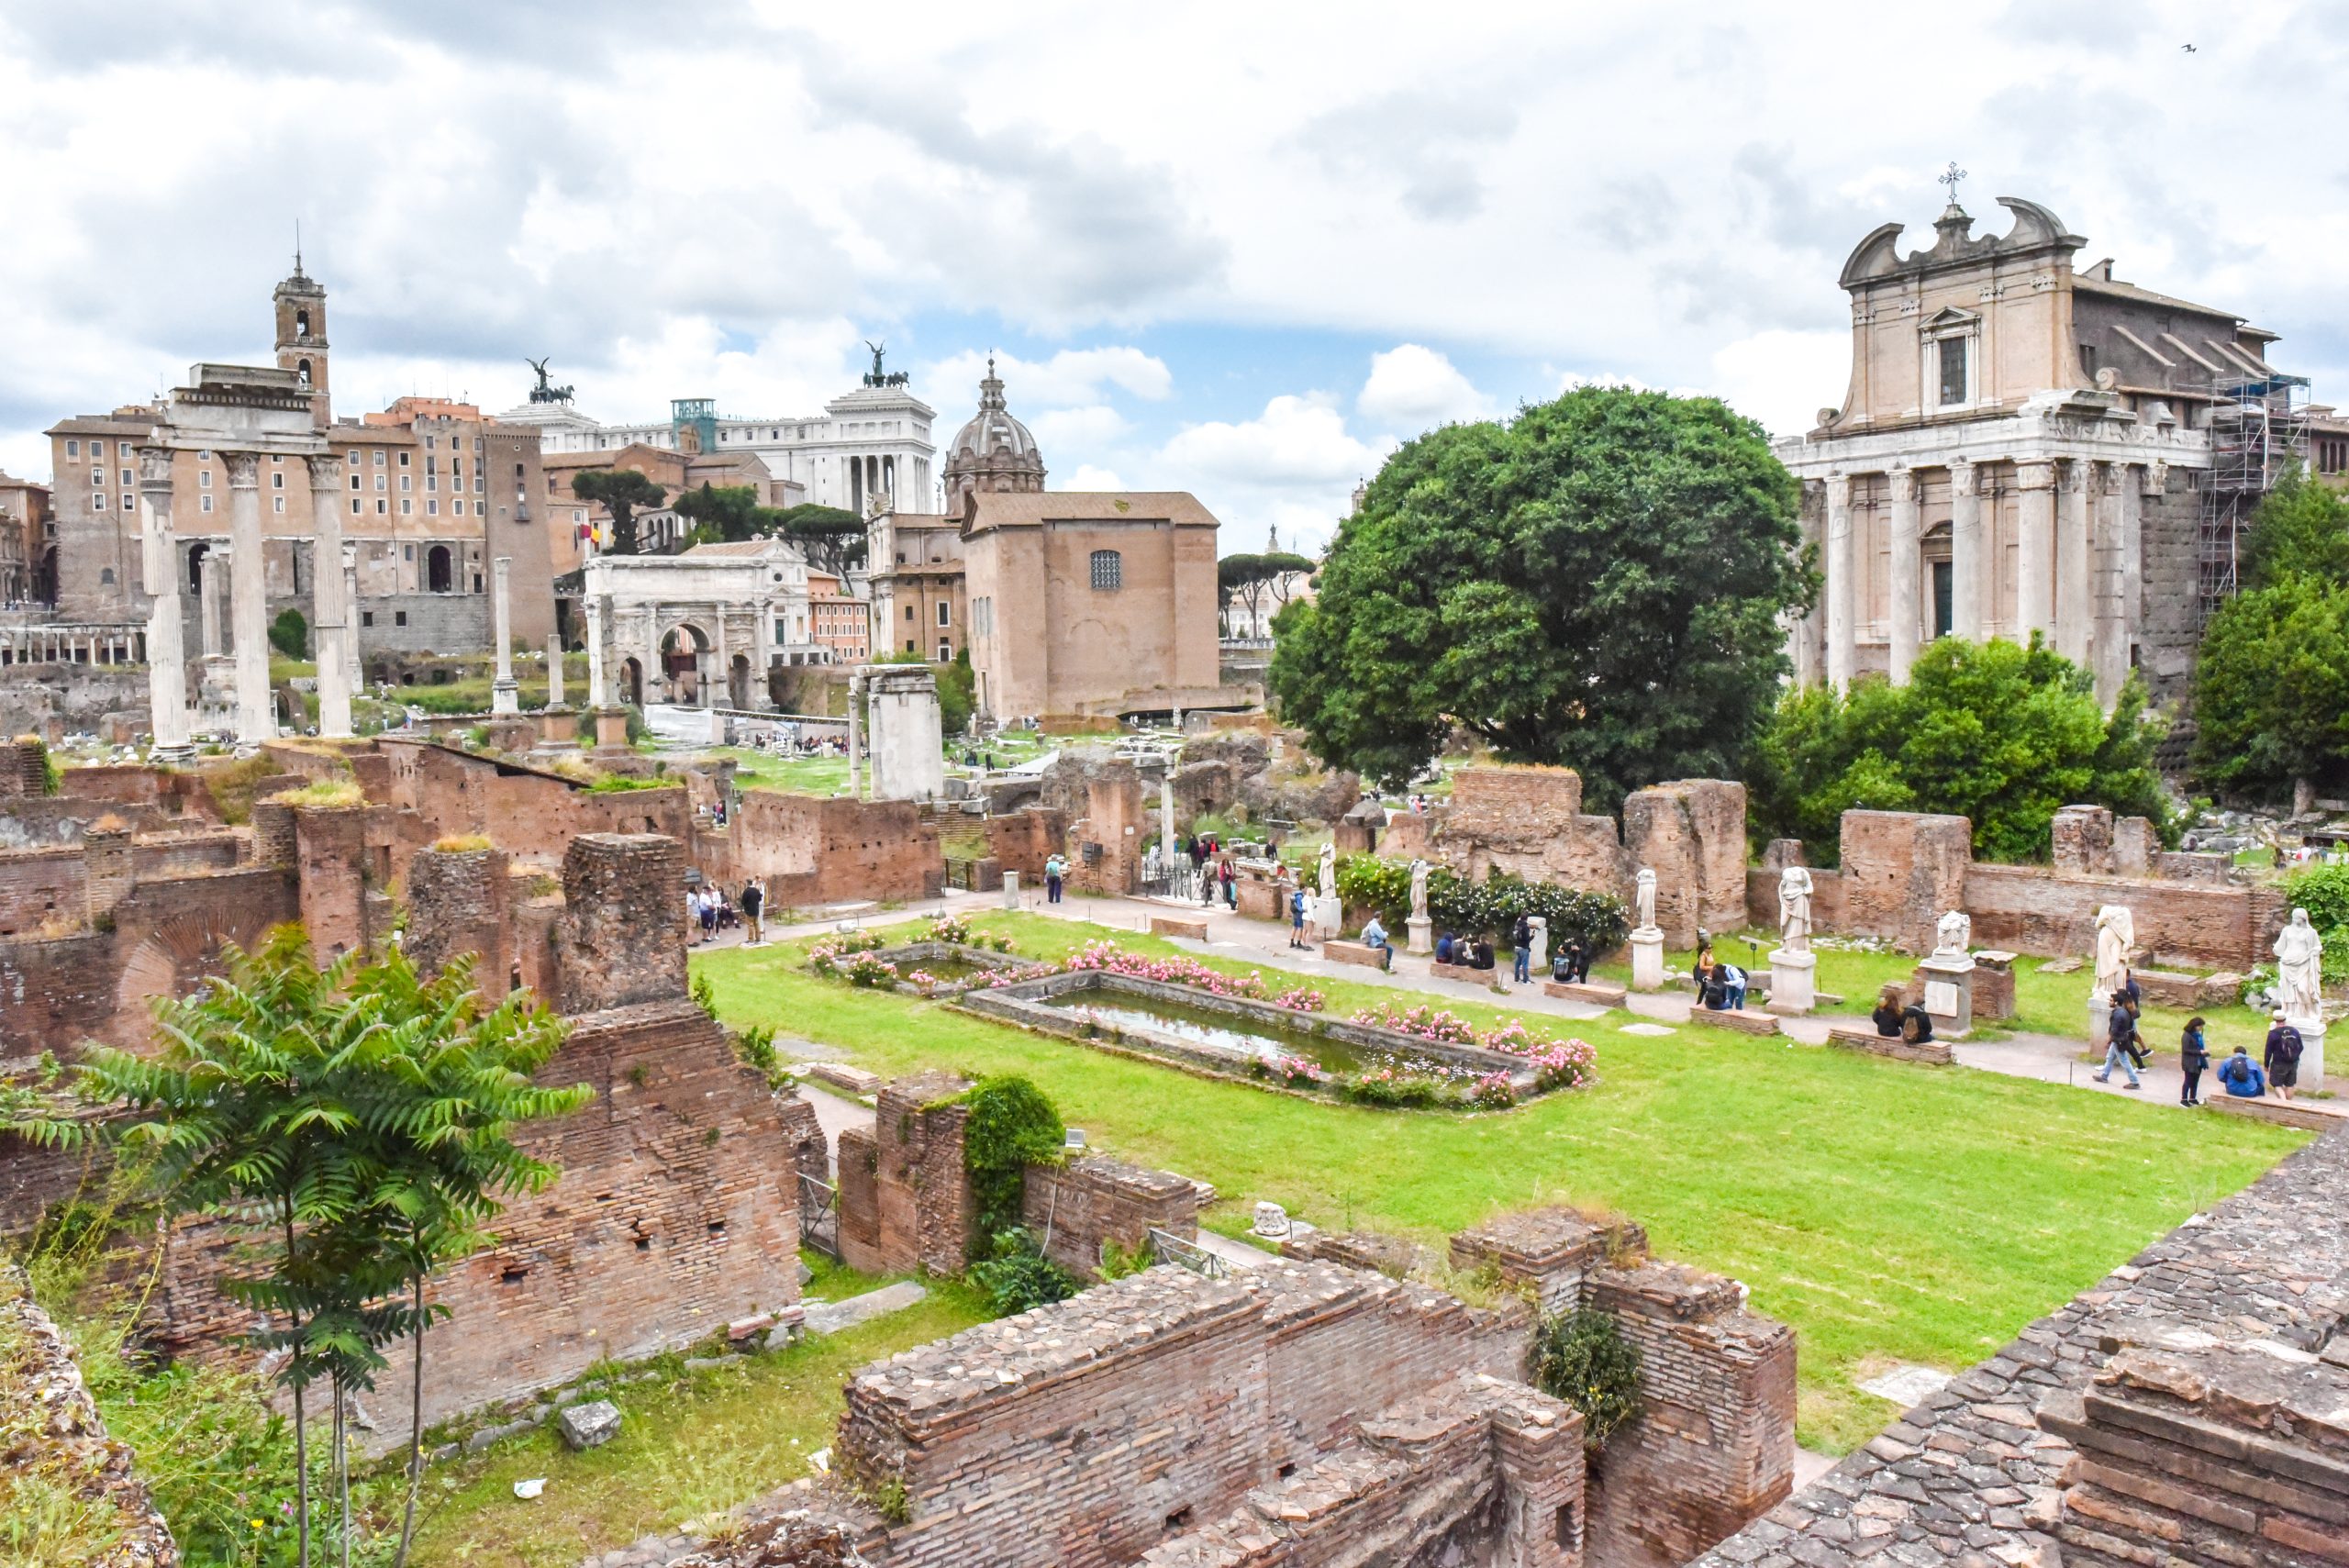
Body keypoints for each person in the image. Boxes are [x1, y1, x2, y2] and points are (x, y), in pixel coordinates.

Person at [2093, 994, 2144, 1090]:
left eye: (2111, 1000)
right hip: (2121, 1039)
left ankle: (2135, 1082)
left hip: (2118, 1040)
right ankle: (2104, 1076)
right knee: (2110, 1058)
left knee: (2124, 1061)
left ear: (2116, 1002)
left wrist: (2108, 1041)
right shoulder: (2124, 1012)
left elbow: (2114, 1030)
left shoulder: (2117, 1014)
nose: (2109, 1002)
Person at [2264, 1010, 2304, 1103]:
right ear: (2285, 1019)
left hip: (2279, 1063)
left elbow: (2268, 1051)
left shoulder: (2273, 1034)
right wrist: (2295, 1057)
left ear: (2274, 1020)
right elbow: (2301, 1047)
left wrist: (2266, 1065)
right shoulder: (2294, 1031)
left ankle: (2284, 1103)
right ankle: (2289, 1104)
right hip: (2293, 1063)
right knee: (2290, 1085)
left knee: (2277, 1084)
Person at [2178, 1016, 2210, 1107]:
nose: (2201, 1028)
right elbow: (2186, 1050)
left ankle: (2192, 1098)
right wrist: (2200, 1052)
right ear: (2195, 1025)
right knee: (2188, 1081)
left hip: (2198, 1062)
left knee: (2195, 1081)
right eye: (2200, 1026)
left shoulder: (2198, 1036)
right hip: (2190, 1062)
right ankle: (2183, 1099)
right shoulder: (2187, 1035)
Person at [740, 878, 764, 947]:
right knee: (756, 924)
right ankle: (758, 938)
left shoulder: (746, 891)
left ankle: (751, 940)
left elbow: (743, 902)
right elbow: (759, 899)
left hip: (749, 910)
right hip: (756, 910)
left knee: (750, 925)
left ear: (747, 883)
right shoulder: (756, 890)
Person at [1510, 914, 1533, 984]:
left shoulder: (1517, 926)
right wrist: (1532, 937)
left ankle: (1516, 978)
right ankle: (1525, 980)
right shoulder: (1525, 927)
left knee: (1517, 963)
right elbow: (1526, 939)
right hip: (1523, 948)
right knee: (1525, 964)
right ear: (1527, 919)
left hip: (1517, 947)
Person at [1288, 885, 1309, 950]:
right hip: (1299, 914)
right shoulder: (1300, 896)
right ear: (1302, 888)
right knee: (1300, 928)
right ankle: (1298, 943)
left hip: (1294, 913)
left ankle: (1291, 942)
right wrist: (1304, 910)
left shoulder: (1295, 894)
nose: (1306, 890)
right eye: (1305, 888)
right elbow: (1299, 906)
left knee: (1294, 927)